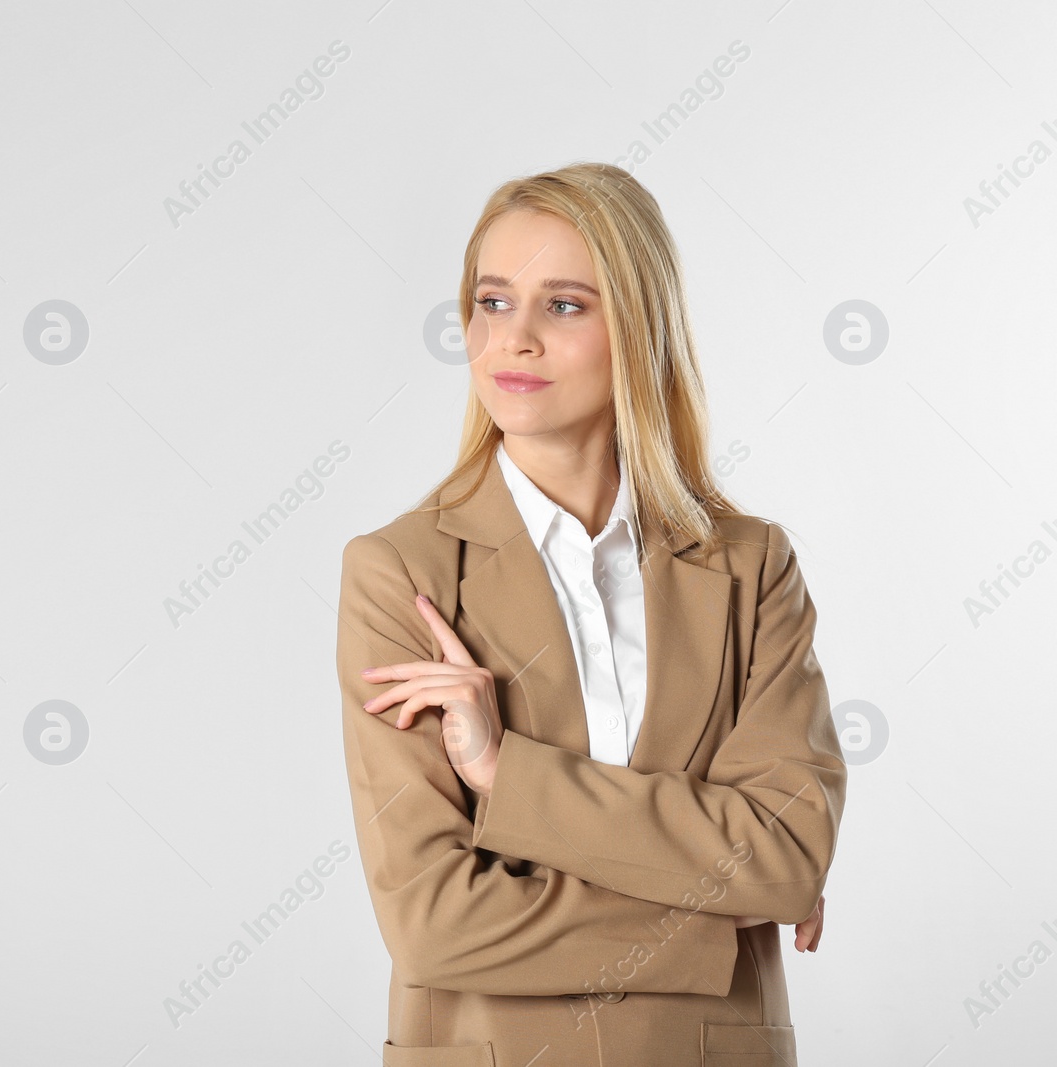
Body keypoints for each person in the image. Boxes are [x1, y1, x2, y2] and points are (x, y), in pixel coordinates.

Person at [335, 162, 846, 1066]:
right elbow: (435, 923)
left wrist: (507, 771)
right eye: (493, 301)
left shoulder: (751, 564)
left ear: (638, 330)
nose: (514, 339)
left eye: (564, 305)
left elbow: (789, 853)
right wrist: (718, 914)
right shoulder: (400, 574)